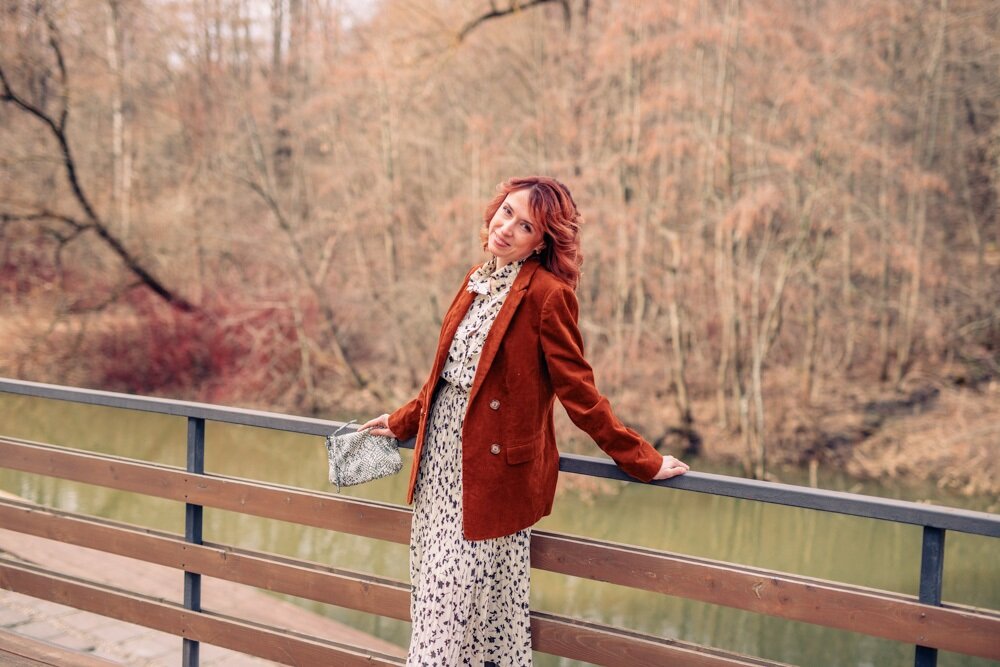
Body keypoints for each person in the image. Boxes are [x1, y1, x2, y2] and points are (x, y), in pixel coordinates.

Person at [363, 176, 689, 666]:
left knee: (445, 624)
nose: (507, 227)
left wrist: (642, 459)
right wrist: (401, 421)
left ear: (542, 242)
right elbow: (445, 378)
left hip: (492, 479)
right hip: (440, 470)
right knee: (451, 611)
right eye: (507, 212)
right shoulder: (475, 280)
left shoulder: (548, 296)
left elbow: (579, 392)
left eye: (526, 225)